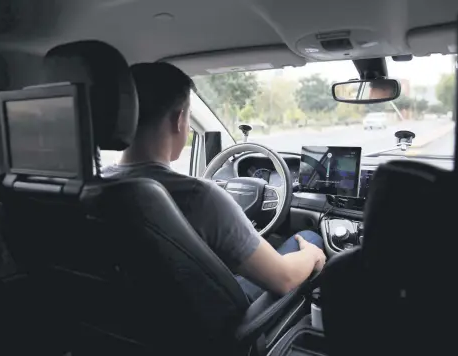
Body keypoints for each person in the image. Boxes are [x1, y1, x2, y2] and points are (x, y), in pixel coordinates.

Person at [103, 62, 326, 301]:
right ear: (179, 120)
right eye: (189, 117)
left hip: (127, 318)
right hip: (219, 326)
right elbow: (284, 279)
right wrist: (311, 255)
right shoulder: (201, 197)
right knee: (309, 238)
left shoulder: (97, 185)